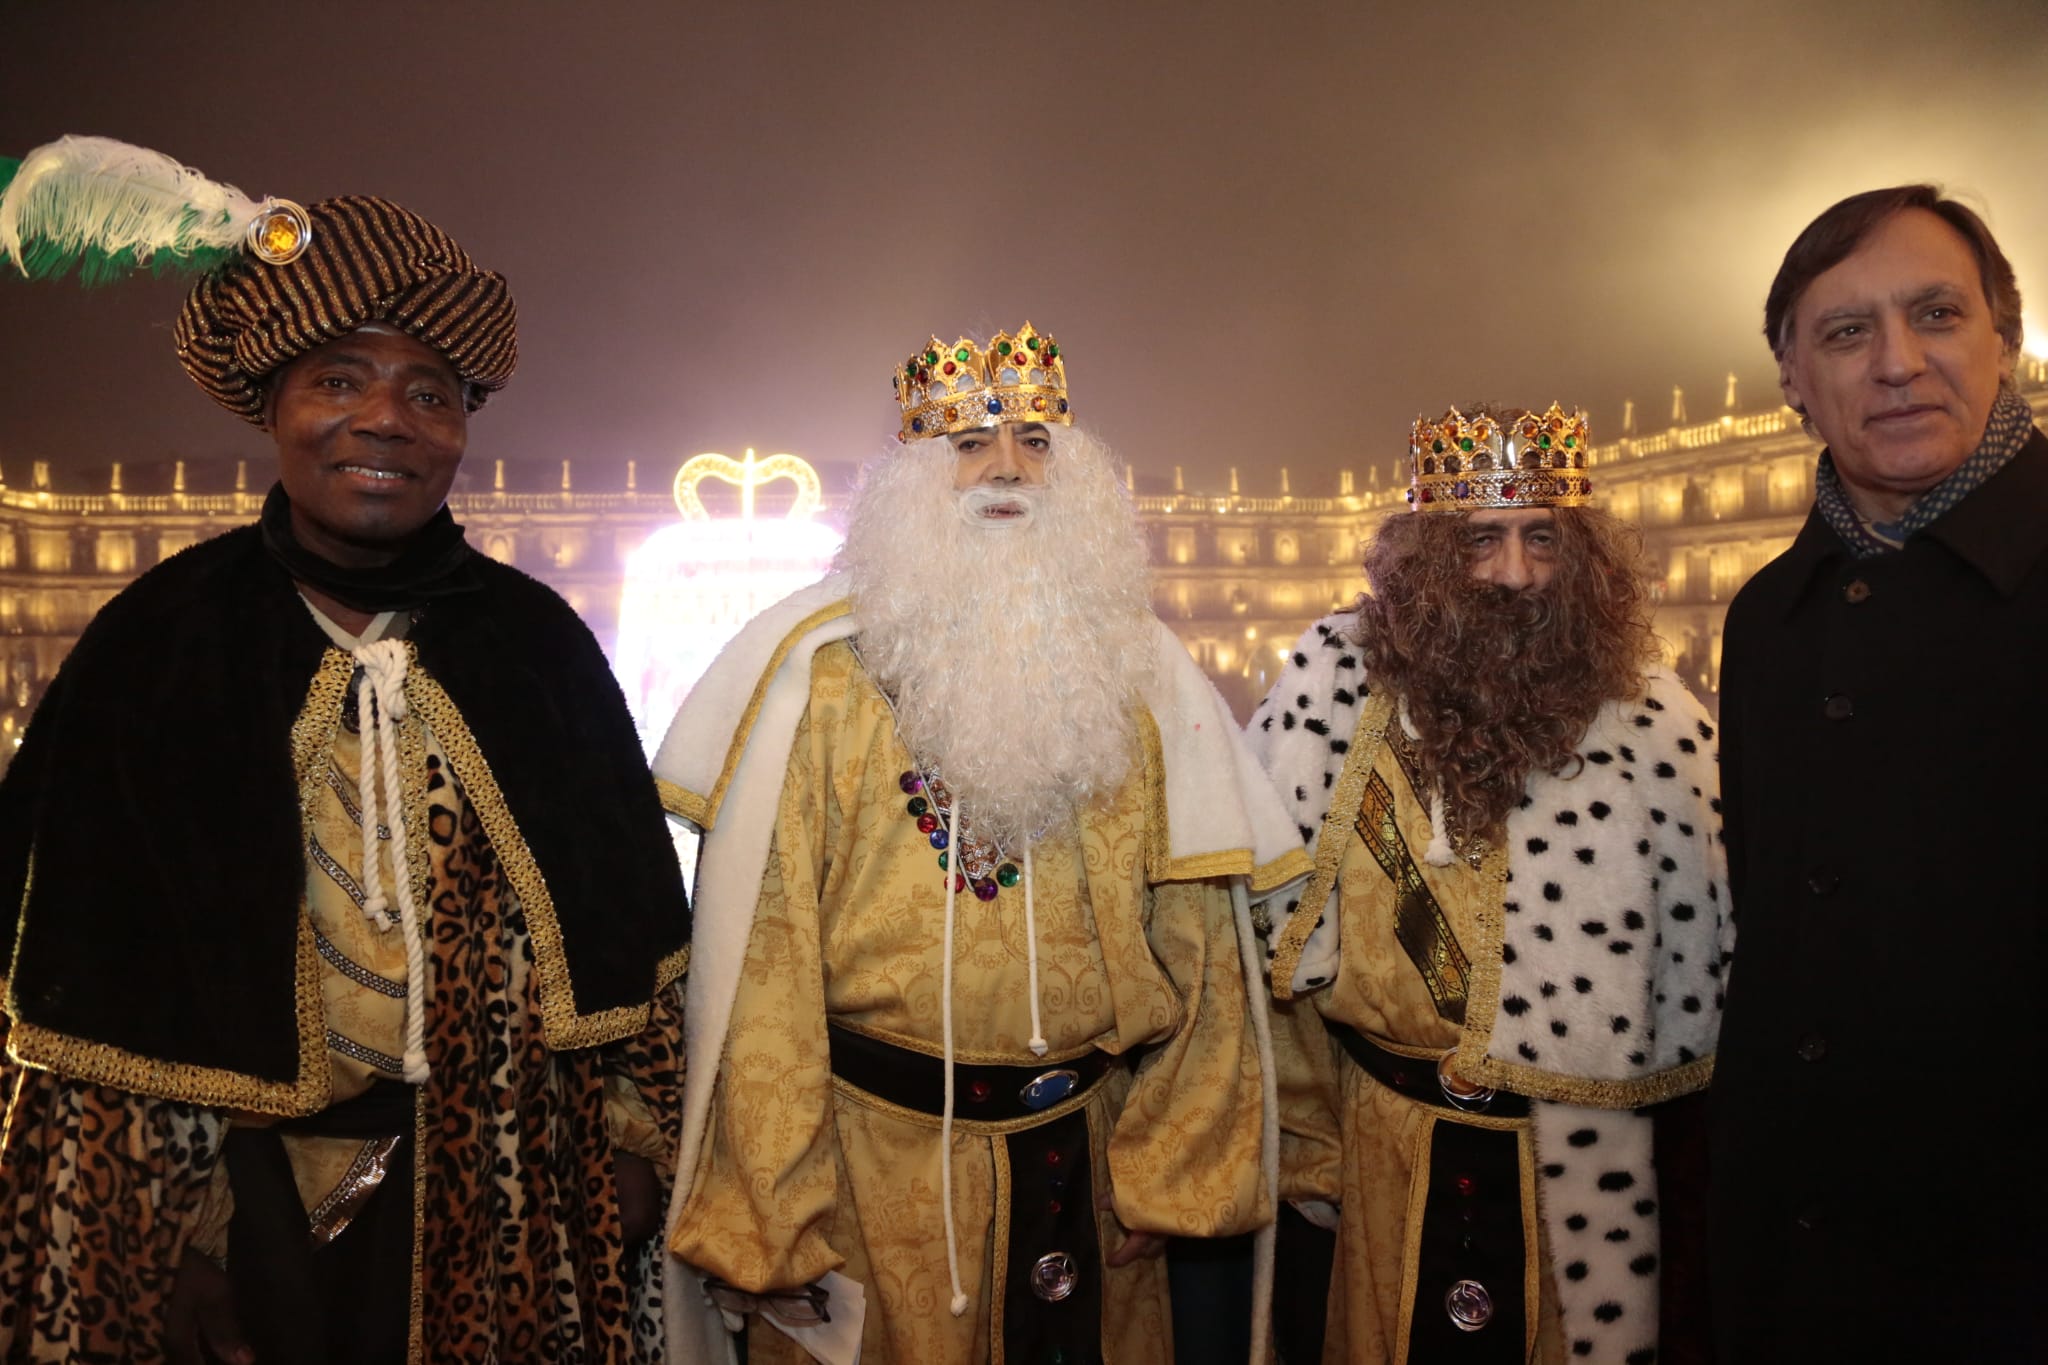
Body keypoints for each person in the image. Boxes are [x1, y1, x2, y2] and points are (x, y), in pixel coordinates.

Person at [0, 144, 689, 1364]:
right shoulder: (158, 641)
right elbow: (78, 971)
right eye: (339, 379)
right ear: (273, 404)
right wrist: (171, 1236)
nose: (385, 420)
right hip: (225, 1201)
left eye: (431, 393)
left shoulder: (536, 647)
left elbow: (632, 939)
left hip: (506, 1193)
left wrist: (633, 1148)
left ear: (461, 431)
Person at [651, 324, 1308, 1365]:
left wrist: (1174, 1173)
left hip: (1090, 1170)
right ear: (911, 482)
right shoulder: (818, 682)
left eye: (1036, 442)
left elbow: (1201, 946)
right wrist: (772, 1209)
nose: (1006, 468)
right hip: (871, 1176)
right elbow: (765, 966)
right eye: (968, 444)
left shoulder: (1142, 681)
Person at [1247, 404, 1732, 1365]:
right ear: (1429, 556)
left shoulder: (1657, 721)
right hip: (1382, 1160)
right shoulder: (1335, 692)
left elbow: (1711, 982)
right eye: (1482, 540)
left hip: (1583, 1181)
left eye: (1541, 538)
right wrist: (1308, 1149)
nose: (1515, 573)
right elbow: (1264, 945)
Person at [1711, 186, 2047, 1362]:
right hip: (1791, 1273)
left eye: (1935, 314)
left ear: (2004, 338)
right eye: (1846, 332)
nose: (1897, 363)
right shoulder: (1766, 619)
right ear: (1790, 378)